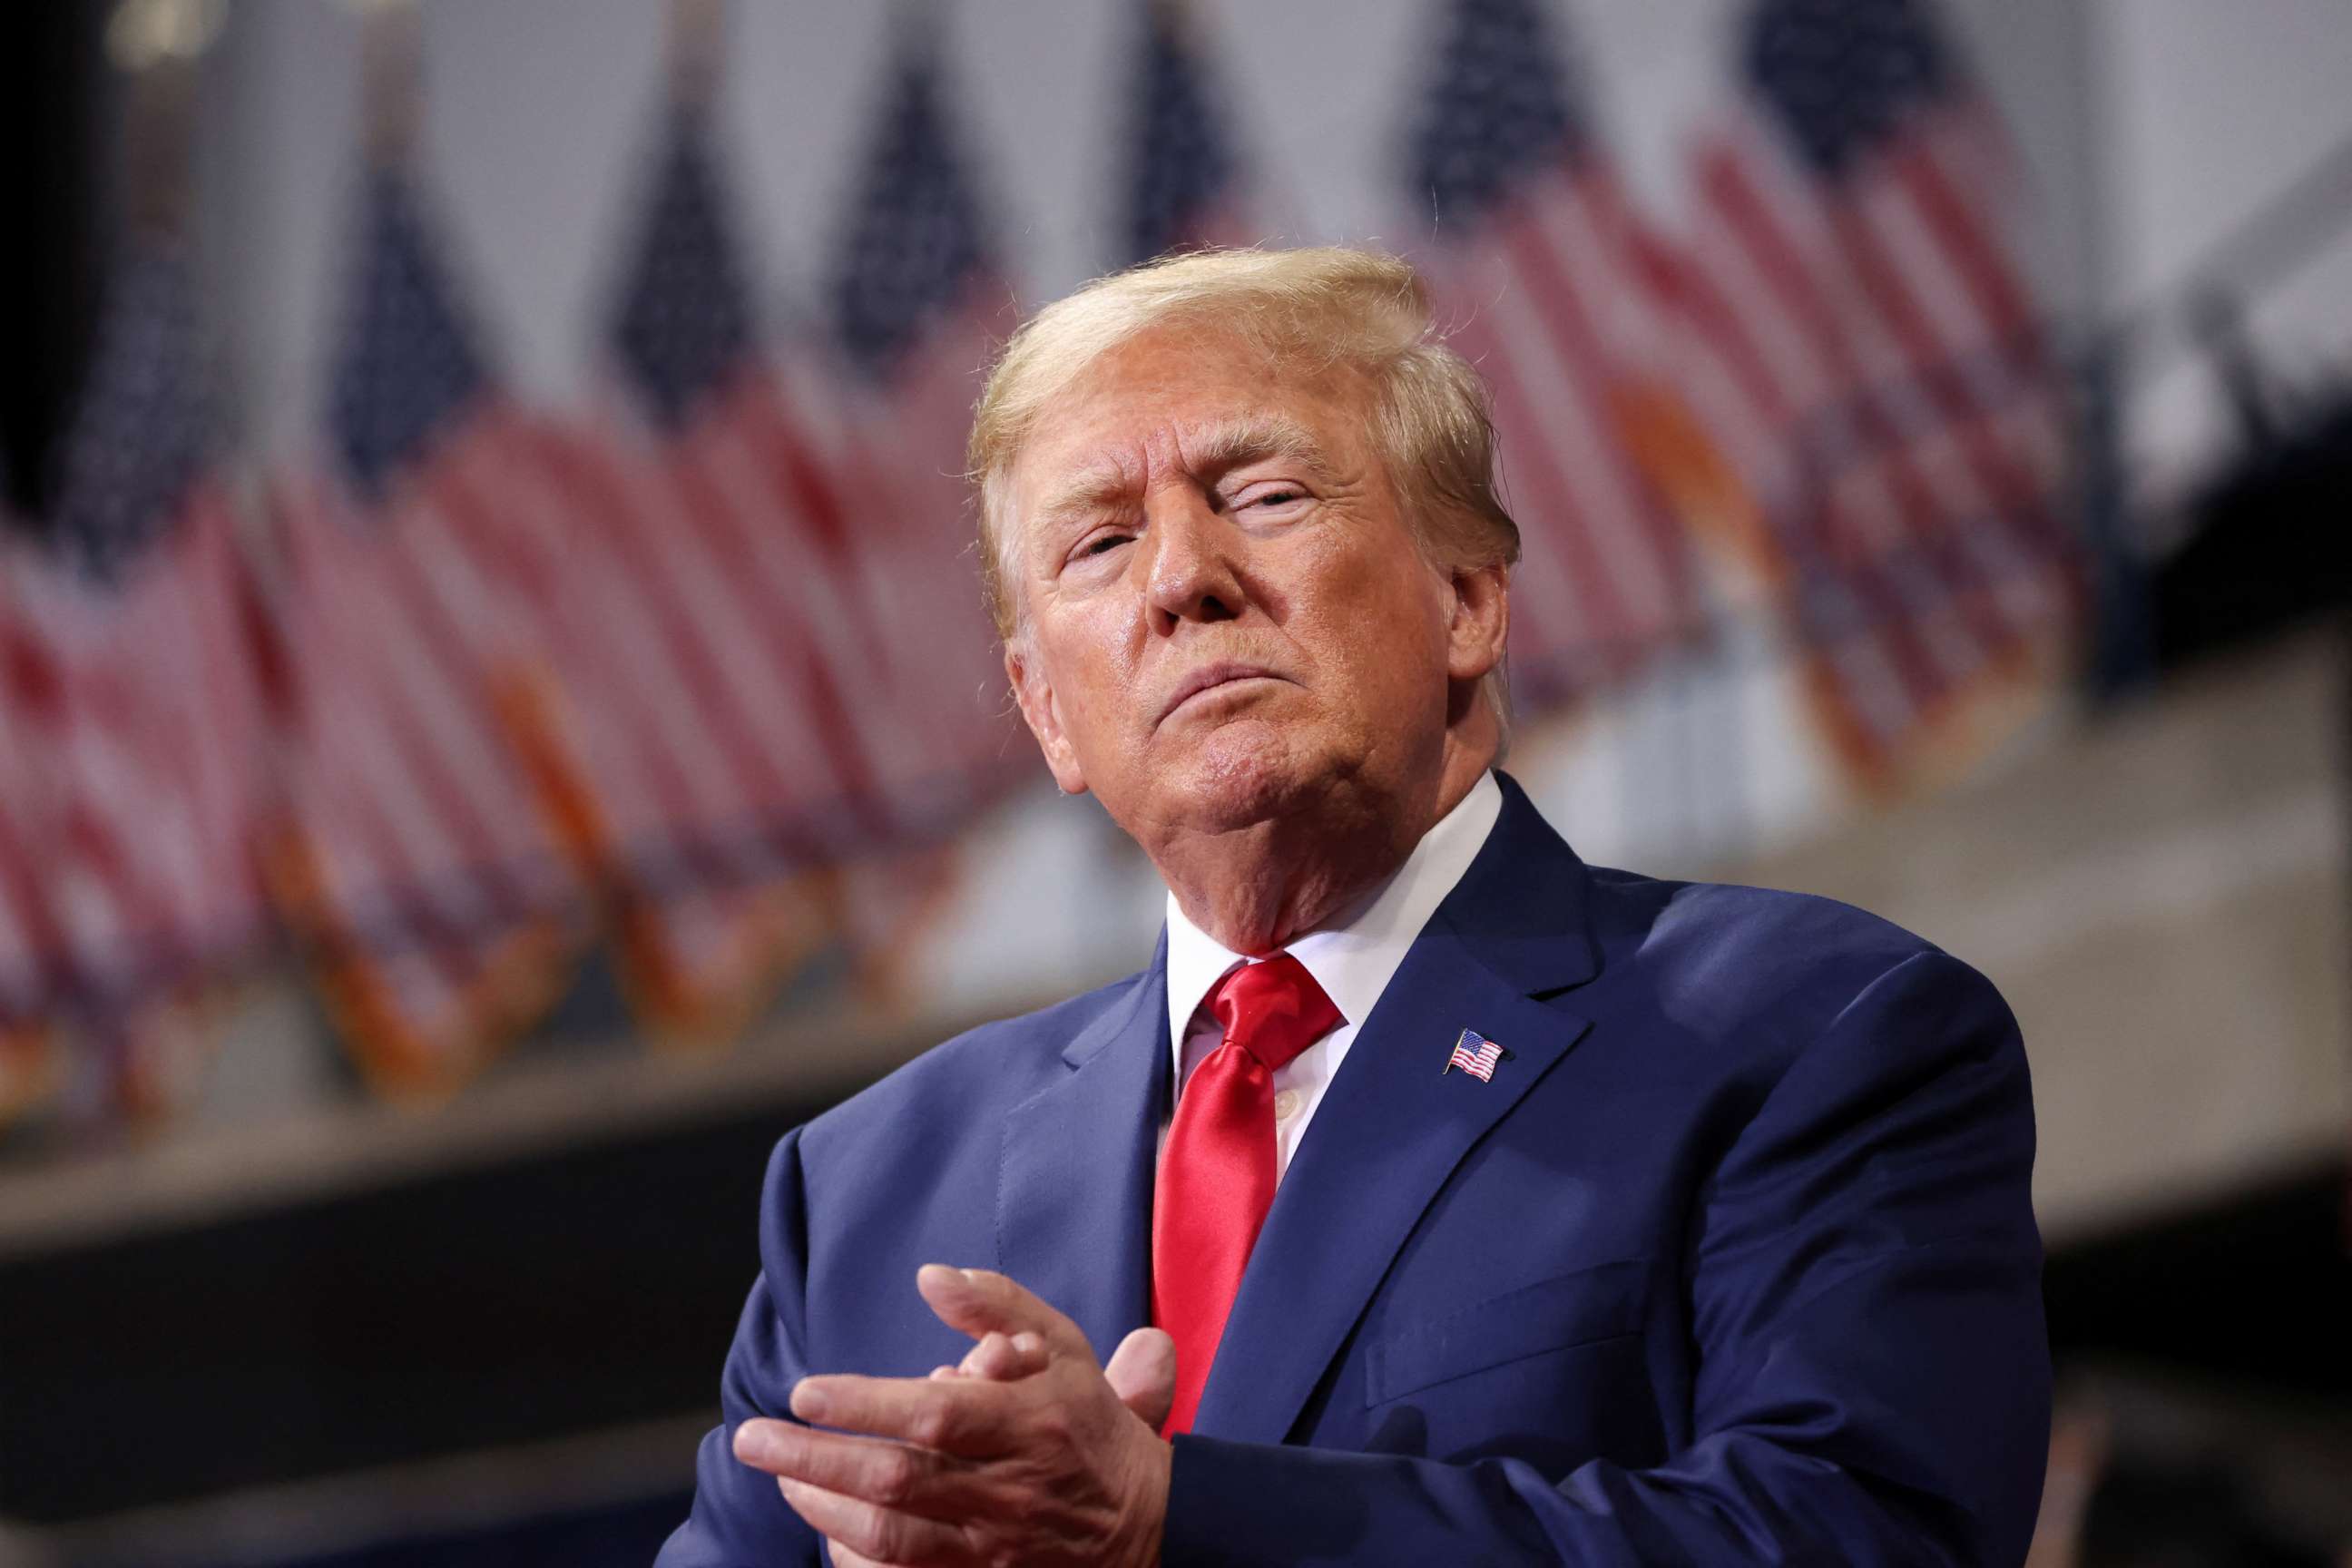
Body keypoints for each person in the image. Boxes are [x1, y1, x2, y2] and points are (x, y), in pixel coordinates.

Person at [655, 247, 2050, 1566]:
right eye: (1097, 543)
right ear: (1045, 716)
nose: (1181, 579)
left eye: (1262, 494)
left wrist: (1175, 1522)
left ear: (1469, 598)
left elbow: (1854, 1538)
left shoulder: (1808, 1035)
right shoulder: (866, 1194)